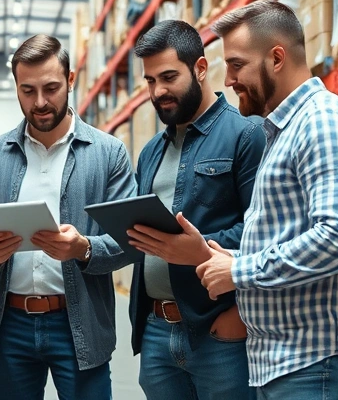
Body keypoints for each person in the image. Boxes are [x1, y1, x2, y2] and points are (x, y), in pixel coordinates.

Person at [196, 0, 338, 400]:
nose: (227, 80)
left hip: (318, 363)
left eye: (235, 64)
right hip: (290, 363)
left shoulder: (324, 122)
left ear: (276, 57)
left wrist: (241, 271)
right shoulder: (285, 131)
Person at [0, 35, 137, 400]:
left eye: (51, 88)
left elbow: (131, 241)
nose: (40, 102)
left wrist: (83, 248)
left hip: (79, 323)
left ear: (71, 81)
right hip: (9, 325)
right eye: (27, 90)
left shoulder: (109, 153)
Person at [123, 20, 264, 400]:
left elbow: (262, 231)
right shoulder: (151, 151)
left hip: (217, 331)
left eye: (169, 76)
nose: (159, 91)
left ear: (201, 69)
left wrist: (232, 317)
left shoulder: (246, 135)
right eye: (151, 81)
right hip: (156, 329)